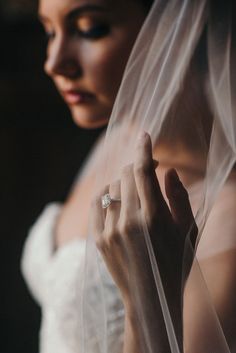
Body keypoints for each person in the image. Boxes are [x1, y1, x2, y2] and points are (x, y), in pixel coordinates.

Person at [21, 0, 236, 352]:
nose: (54, 62)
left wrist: (146, 301)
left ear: (176, 28)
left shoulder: (226, 215)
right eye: (49, 31)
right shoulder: (116, 140)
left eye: (90, 28)